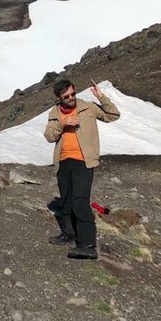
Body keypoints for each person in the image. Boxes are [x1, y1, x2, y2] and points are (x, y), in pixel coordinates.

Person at [44, 79, 120, 259]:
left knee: (80, 201)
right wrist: (63, 124)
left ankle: (88, 244)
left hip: (84, 162)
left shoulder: (88, 107)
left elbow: (113, 115)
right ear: (59, 98)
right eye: (66, 96)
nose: (71, 98)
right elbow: (48, 135)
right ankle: (69, 234)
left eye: (73, 94)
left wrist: (101, 97)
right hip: (63, 162)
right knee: (66, 201)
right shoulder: (54, 113)